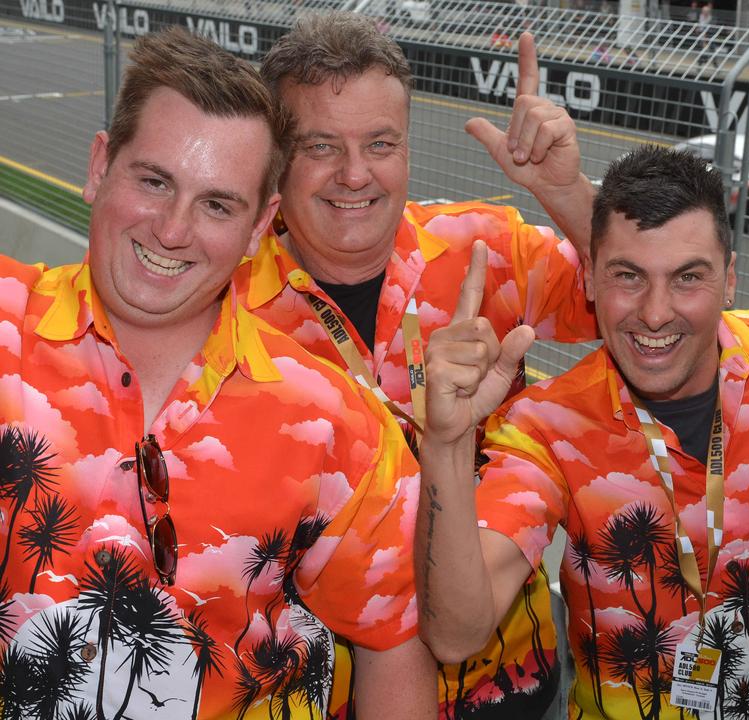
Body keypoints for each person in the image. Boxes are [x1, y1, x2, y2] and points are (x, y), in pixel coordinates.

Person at [0, 27, 433, 719]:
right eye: (153, 181)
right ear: (99, 166)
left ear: (260, 225)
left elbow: (395, 643)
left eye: (217, 204)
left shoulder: (334, 421)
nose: (173, 230)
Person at [417, 145, 749, 719]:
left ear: (729, 281)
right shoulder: (545, 427)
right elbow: (455, 633)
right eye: (628, 276)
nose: (655, 313)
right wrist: (447, 445)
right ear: (593, 281)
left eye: (687, 278)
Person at [247, 12, 598, 719]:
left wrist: (564, 192)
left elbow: (635, 297)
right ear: (276, 160)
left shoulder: (485, 247)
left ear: (408, 148)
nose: (355, 174)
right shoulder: (227, 305)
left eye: (380, 143)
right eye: (321, 145)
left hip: (518, 684)